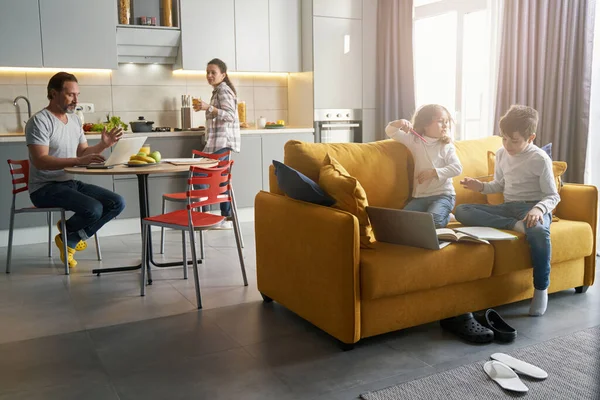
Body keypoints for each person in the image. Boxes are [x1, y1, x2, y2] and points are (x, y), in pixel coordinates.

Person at [455, 105, 558, 316]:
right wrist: (480, 187)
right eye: (504, 138)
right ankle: (515, 226)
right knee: (462, 210)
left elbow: (553, 196)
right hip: (508, 208)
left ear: (531, 138)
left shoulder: (540, 159)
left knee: (538, 232)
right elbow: (499, 185)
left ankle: (540, 289)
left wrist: (538, 210)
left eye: (514, 140)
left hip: (532, 209)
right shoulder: (502, 154)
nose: (507, 145)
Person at [26, 72, 126, 268]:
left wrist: (103, 145)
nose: (76, 100)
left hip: (69, 183)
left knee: (117, 202)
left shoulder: (74, 121)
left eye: (77, 94)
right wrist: (79, 160)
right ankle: (69, 234)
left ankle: (69, 235)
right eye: (71, 94)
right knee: (94, 208)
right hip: (44, 188)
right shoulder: (39, 121)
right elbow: (41, 161)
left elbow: (83, 152)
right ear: (53, 93)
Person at [385, 104, 463, 228]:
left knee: (434, 221)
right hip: (420, 197)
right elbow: (391, 131)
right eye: (440, 121)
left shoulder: (446, 146)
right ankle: (442, 214)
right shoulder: (415, 141)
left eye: (447, 122)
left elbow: (457, 168)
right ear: (425, 124)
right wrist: (399, 123)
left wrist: (433, 172)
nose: (445, 125)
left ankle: (446, 217)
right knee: (402, 221)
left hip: (443, 195)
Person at [193, 58, 240, 227]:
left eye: (213, 72)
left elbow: (230, 115)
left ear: (223, 74)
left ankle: (210, 217)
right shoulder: (218, 91)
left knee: (201, 175)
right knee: (221, 179)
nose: (209, 75)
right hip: (217, 142)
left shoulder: (223, 91)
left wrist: (208, 108)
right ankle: (224, 218)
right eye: (208, 72)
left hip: (221, 142)